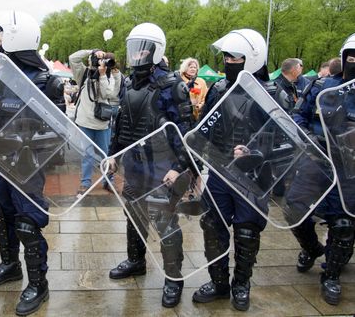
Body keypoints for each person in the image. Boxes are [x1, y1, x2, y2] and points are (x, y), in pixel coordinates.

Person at [0, 10, 65, 316]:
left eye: (2, 34)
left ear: (15, 36)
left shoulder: (46, 82)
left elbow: (61, 131)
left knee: (27, 221)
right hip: (1, 157)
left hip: (28, 164)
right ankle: (11, 266)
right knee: (3, 213)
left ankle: (39, 284)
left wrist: (32, 129)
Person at [108, 23, 194, 308]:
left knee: (165, 221)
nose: (137, 54)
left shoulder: (173, 87)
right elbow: (121, 126)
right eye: (134, 48)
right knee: (133, 214)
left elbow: (185, 131)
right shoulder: (129, 83)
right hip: (134, 166)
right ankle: (136, 261)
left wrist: (180, 166)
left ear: (157, 51)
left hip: (163, 167)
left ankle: (174, 277)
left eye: (143, 48)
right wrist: (113, 156)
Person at [191, 29, 270, 311]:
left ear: (251, 59)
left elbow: (282, 138)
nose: (227, 61)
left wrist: (254, 152)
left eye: (234, 57)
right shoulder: (219, 89)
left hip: (252, 177)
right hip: (220, 171)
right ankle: (219, 283)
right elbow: (204, 130)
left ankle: (241, 284)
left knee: (247, 232)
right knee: (212, 227)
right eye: (225, 56)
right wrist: (195, 166)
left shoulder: (269, 94)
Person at [289, 33, 355, 305]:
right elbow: (297, 116)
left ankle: (331, 274)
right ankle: (311, 247)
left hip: (349, 168)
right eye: (351, 57)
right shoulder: (320, 86)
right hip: (316, 160)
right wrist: (309, 137)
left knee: (343, 222)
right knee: (294, 207)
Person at [69, 48, 121, 194]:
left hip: (102, 123)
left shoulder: (111, 75)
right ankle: (85, 183)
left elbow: (108, 94)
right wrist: (92, 51)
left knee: (105, 155)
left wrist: (103, 74)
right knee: (87, 154)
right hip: (85, 122)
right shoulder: (83, 73)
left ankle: (107, 181)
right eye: (97, 60)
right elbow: (73, 58)